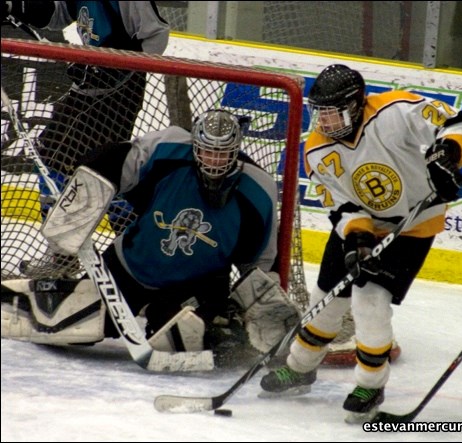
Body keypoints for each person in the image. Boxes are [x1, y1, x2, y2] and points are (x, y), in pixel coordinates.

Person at [259, 64, 462, 422]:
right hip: (359, 226)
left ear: (357, 103)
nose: (325, 123)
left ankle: (370, 384)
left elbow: (457, 122)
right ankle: (300, 367)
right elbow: (341, 204)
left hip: (413, 225)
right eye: (320, 114)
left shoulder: (394, 111)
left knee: (370, 300)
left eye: (333, 113)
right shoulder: (316, 150)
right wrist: (357, 238)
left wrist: (447, 156)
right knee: (325, 301)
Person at [1, 109, 300, 368]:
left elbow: (259, 262)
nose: (214, 161)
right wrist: (80, 208)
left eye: (222, 153)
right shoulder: (168, 149)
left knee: (186, 337)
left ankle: (213, 326)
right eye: (207, 151)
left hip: (196, 284)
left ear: (237, 150)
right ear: (195, 146)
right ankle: (45, 295)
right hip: (132, 265)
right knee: (81, 329)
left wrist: (261, 310)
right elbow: (114, 160)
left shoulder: (257, 191)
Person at [2, 0, 170, 173]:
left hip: (120, 93)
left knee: (93, 167)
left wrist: (113, 66)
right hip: (88, 84)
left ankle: (98, 200)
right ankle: (56, 200)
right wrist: (15, 6)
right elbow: (57, 13)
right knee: (50, 152)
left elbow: (157, 35)